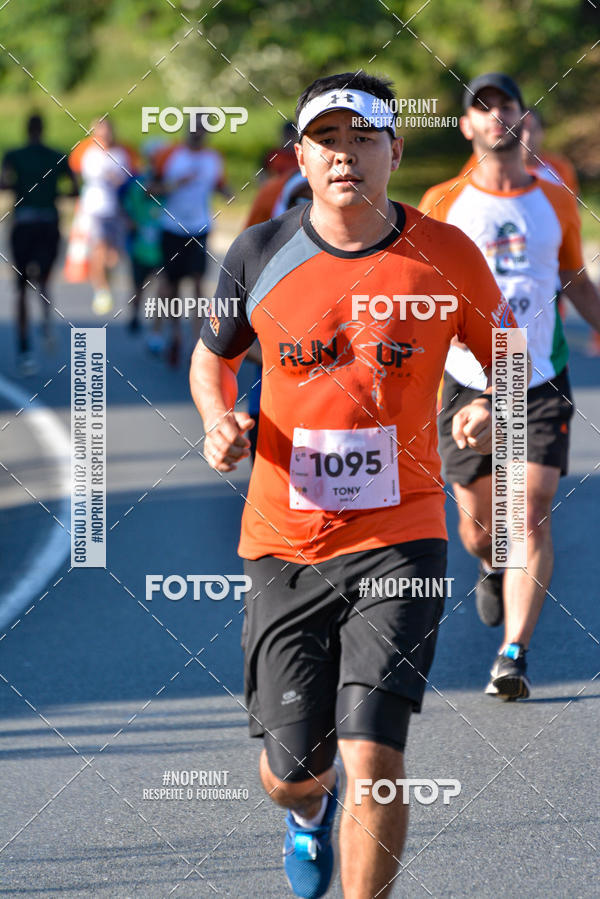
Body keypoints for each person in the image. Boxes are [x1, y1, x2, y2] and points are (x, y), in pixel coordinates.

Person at [191, 71, 521, 898]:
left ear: (394, 151)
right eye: (328, 141)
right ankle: (306, 814)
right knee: (294, 770)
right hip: (283, 541)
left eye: (363, 139)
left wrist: (487, 403)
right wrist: (218, 419)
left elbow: (510, 358)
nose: (346, 156)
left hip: (402, 534)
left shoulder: (445, 255)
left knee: (375, 748)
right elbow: (212, 358)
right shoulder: (260, 252)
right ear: (300, 156)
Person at [419, 72, 600, 701]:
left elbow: (574, 276)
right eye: (482, 109)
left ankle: (513, 655)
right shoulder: (443, 201)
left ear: (524, 119)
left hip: (538, 373)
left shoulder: (556, 193)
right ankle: (489, 563)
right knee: (480, 526)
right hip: (469, 376)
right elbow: (420, 295)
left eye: (508, 107)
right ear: (467, 125)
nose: (498, 118)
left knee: (531, 511)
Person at [0, 113, 78, 375]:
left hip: (23, 223)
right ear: (43, 129)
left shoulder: (13, 155)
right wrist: (55, 192)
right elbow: (75, 189)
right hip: (47, 223)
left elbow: (4, 182)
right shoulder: (56, 155)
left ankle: (24, 347)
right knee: (44, 279)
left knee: (21, 287)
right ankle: (45, 321)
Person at [154, 118, 231, 365]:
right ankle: (174, 334)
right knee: (172, 286)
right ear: (187, 130)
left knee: (198, 283)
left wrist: (227, 192)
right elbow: (149, 188)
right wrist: (173, 184)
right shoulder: (169, 154)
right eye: (194, 129)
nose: (198, 133)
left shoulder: (213, 159)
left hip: (200, 227)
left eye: (203, 130)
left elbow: (220, 185)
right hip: (172, 227)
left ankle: (197, 338)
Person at [67, 118, 138, 315]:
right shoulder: (86, 151)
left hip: (116, 209)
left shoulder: (122, 152)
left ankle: (106, 284)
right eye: (99, 130)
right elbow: (72, 169)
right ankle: (101, 290)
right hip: (94, 208)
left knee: (113, 256)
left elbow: (133, 178)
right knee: (99, 248)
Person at [119, 140, 165, 333]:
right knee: (138, 285)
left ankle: (157, 326)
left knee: (164, 286)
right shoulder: (138, 183)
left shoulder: (167, 183)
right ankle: (135, 316)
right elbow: (127, 203)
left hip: (162, 244)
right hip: (141, 243)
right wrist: (130, 220)